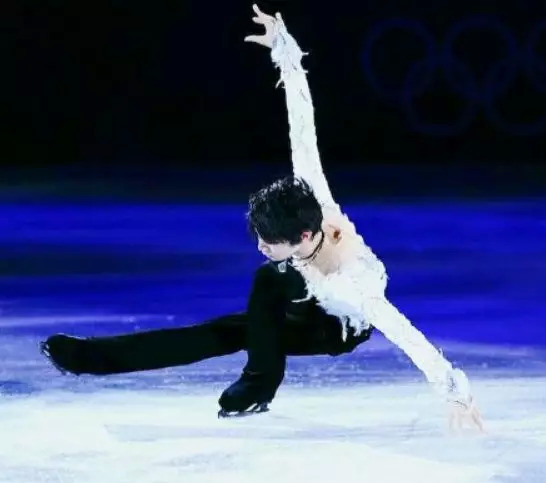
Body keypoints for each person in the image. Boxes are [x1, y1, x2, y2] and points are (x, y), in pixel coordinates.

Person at [42, 5, 484, 430]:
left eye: (270, 241)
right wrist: (284, 51)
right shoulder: (309, 196)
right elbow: (302, 124)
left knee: (263, 289)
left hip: (334, 326)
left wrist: (455, 393)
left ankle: (258, 385)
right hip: (299, 287)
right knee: (233, 321)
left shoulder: (353, 284)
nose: (260, 246)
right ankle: (93, 359)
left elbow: (406, 334)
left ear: (304, 236)